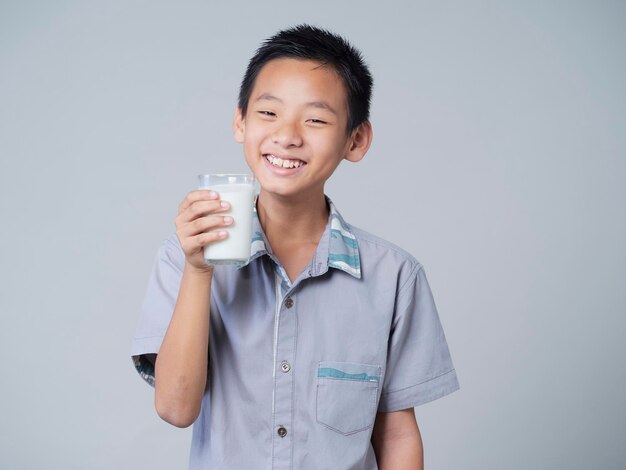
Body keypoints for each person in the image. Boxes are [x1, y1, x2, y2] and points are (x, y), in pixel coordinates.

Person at [132, 24, 459, 470]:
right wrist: (198, 271)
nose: (287, 135)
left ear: (356, 140)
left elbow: (398, 433)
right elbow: (175, 409)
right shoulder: (183, 256)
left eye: (316, 119)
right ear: (239, 122)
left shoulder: (395, 276)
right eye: (268, 113)